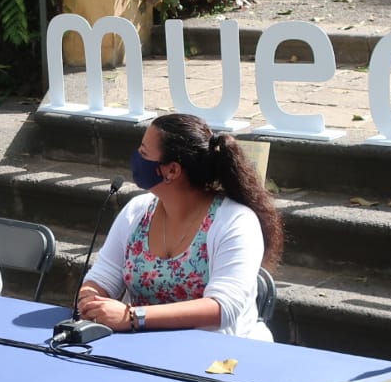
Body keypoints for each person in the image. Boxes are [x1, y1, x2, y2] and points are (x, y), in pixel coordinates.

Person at [76, 113, 283, 341]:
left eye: (144, 153)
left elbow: (223, 308)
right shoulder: (137, 211)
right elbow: (103, 276)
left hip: (217, 357)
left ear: (171, 171)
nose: (136, 157)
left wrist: (134, 317)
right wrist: (90, 298)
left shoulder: (236, 222)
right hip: (140, 348)